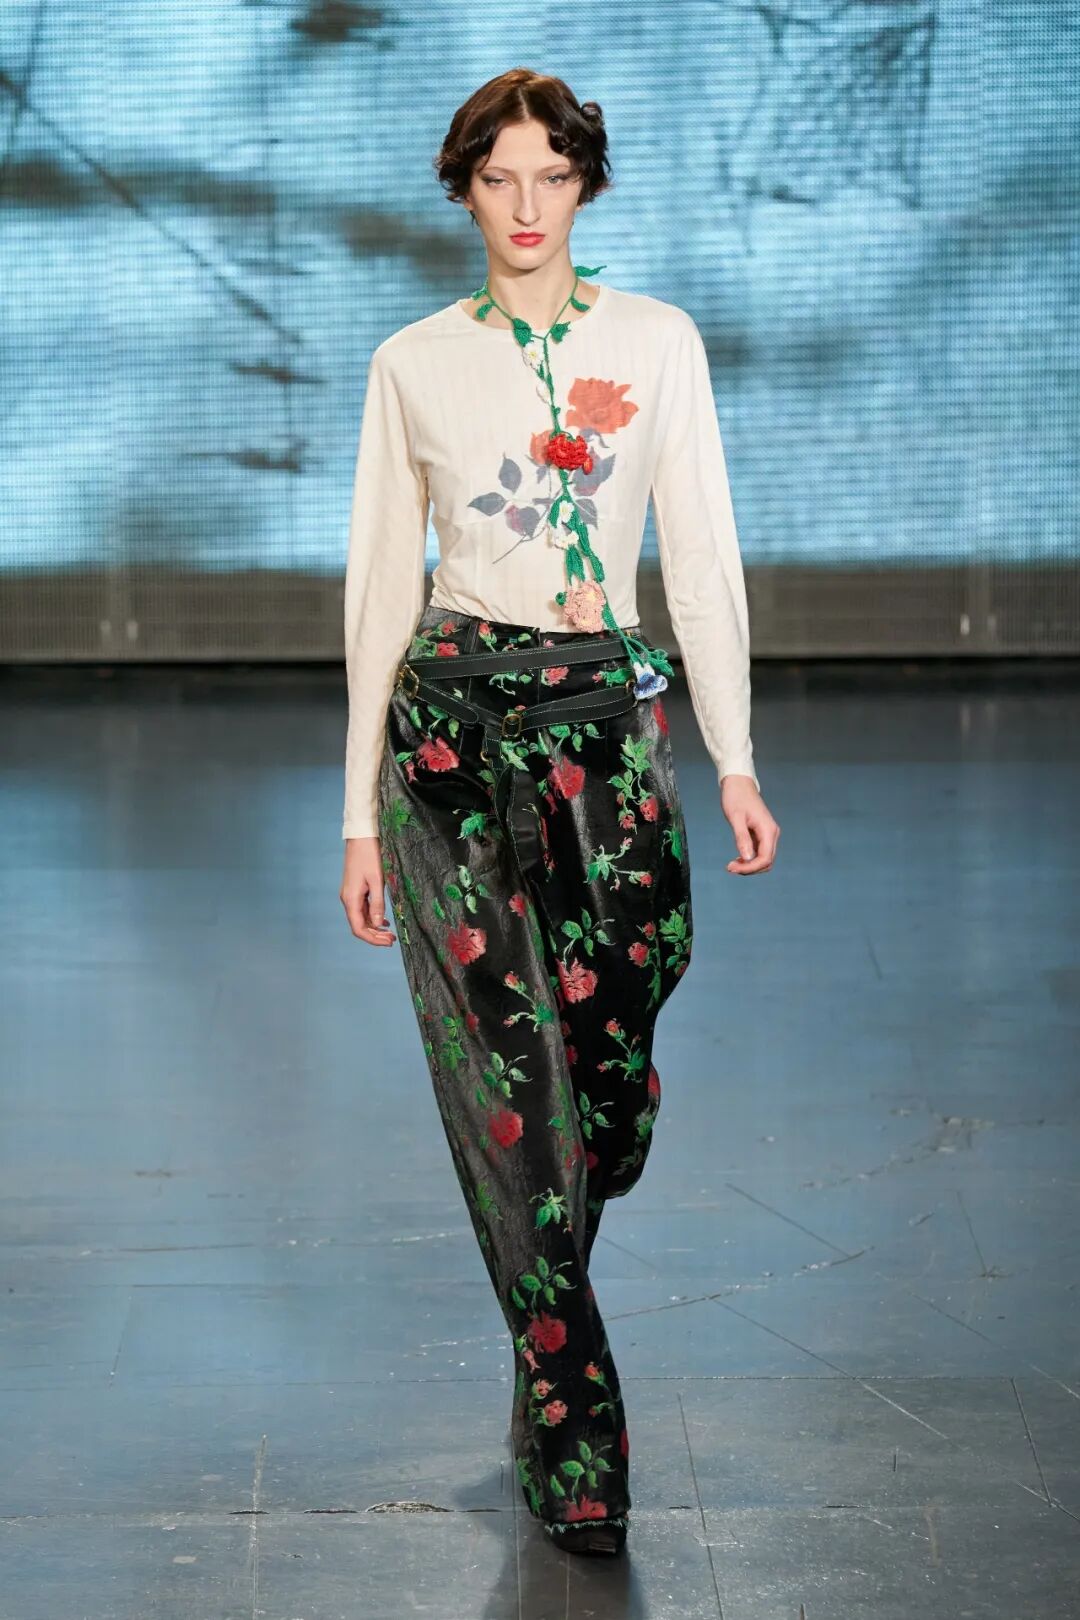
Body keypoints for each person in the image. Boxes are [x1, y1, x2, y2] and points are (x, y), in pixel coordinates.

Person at [339, 68, 781, 1558]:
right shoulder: (411, 364)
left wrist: (732, 755)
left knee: (607, 1083)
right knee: (509, 1094)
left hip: (605, 734)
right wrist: (357, 816)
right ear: (463, 190)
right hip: (450, 744)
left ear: (585, 184)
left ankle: (549, 1303)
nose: (526, 207)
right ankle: (574, 1429)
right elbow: (378, 594)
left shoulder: (658, 342)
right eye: (498, 178)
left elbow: (701, 554)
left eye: (552, 176)